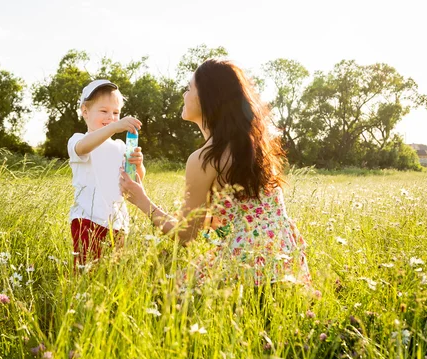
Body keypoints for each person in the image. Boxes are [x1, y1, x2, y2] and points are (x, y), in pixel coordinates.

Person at [119, 59, 310, 286]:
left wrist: (141, 200)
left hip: (245, 275)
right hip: (286, 270)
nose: (184, 94)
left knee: (162, 289)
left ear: (207, 98)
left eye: (189, 88)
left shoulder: (203, 159)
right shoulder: (254, 146)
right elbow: (235, 222)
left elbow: (186, 236)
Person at [68, 79, 144, 266]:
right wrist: (114, 127)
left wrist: (139, 166)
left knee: (112, 273)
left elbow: (133, 180)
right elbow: (83, 148)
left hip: (117, 222)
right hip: (87, 220)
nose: (111, 117)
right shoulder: (79, 139)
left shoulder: (120, 147)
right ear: (85, 111)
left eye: (116, 113)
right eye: (104, 111)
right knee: (86, 271)